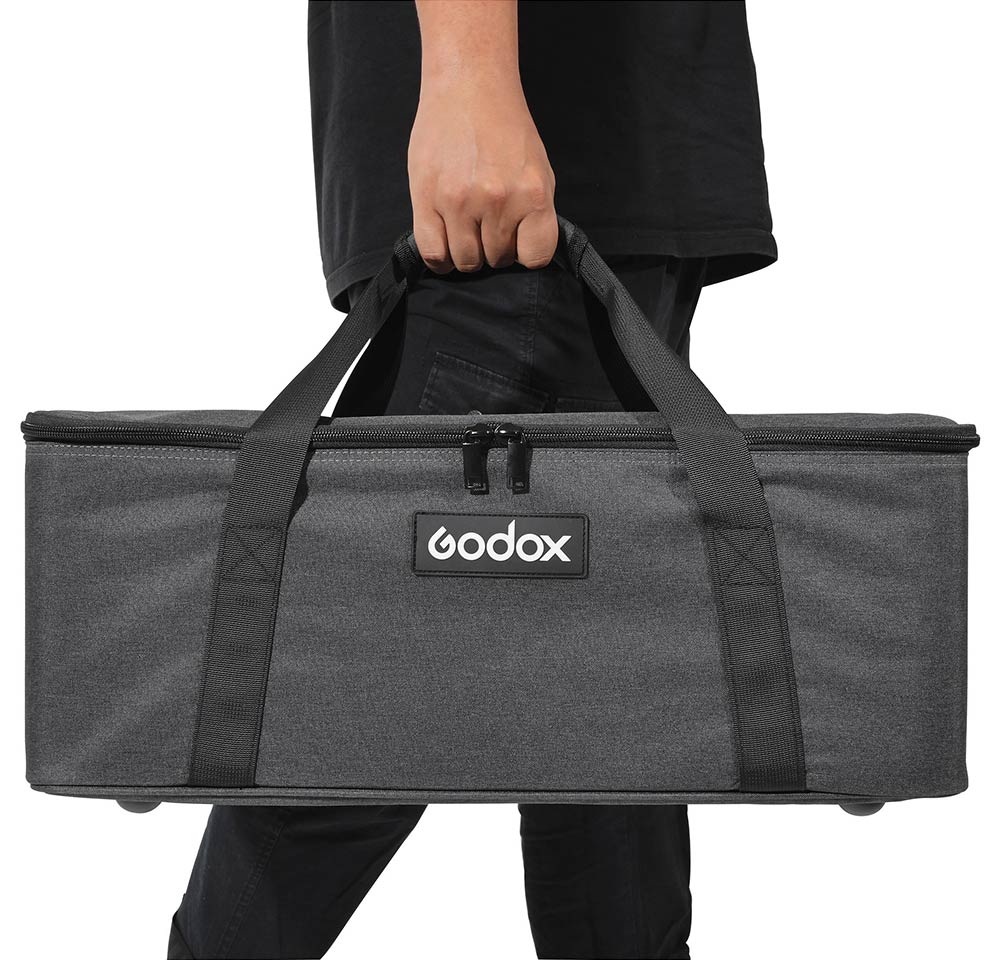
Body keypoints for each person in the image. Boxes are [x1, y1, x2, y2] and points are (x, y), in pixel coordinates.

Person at [169, 2, 775, 957]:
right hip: (522, 162)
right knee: (367, 706)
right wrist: (468, 77)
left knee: (609, 711)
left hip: (608, 154)